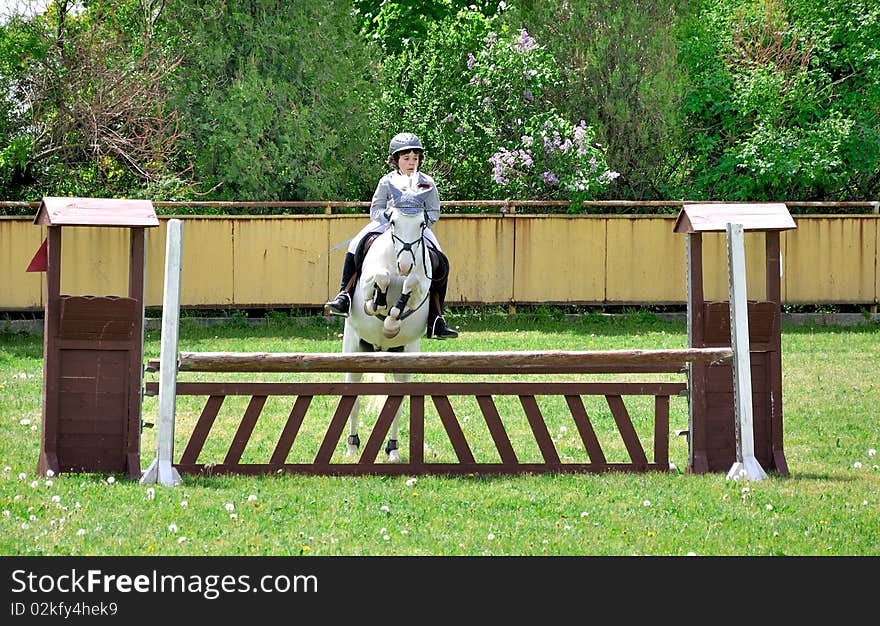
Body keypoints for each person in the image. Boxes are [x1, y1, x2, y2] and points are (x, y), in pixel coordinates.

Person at [324, 132, 458, 339]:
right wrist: (391, 222)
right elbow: (375, 209)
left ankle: (437, 318)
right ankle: (344, 296)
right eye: (406, 159)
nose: (412, 163)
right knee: (357, 244)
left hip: (417, 229)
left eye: (415, 158)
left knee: (441, 260)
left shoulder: (427, 182)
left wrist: (421, 225)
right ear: (396, 160)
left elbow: (434, 210)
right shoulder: (387, 181)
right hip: (386, 226)